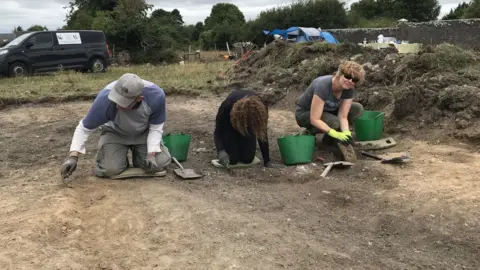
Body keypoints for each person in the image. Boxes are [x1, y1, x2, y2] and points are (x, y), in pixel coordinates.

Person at [60, 73, 172, 179]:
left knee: (159, 163)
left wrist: (151, 153)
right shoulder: (105, 99)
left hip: (144, 133)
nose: (118, 105)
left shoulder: (156, 96)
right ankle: (119, 159)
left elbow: (155, 129)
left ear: (139, 99)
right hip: (115, 133)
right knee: (110, 170)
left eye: (123, 103)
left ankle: (140, 158)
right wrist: (73, 157)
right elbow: (83, 128)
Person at [295, 60, 365, 144]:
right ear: (340, 74)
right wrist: (334, 133)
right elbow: (314, 119)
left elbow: (343, 116)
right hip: (305, 114)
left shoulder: (349, 89)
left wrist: (346, 132)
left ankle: (328, 141)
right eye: (347, 76)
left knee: (357, 109)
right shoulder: (323, 85)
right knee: (334, 122)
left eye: (355, 79)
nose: (350, 81)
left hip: (327, 111)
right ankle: (310, 132)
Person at [213, 89, 284, 168]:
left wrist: (267, 161)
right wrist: (220, 150)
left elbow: (262, 133)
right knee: (232, 160)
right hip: (230, 125)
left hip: (247, 128)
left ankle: (244, 136)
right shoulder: (227, 105)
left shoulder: (261, 109)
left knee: (247, 159)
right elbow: (218, 130)